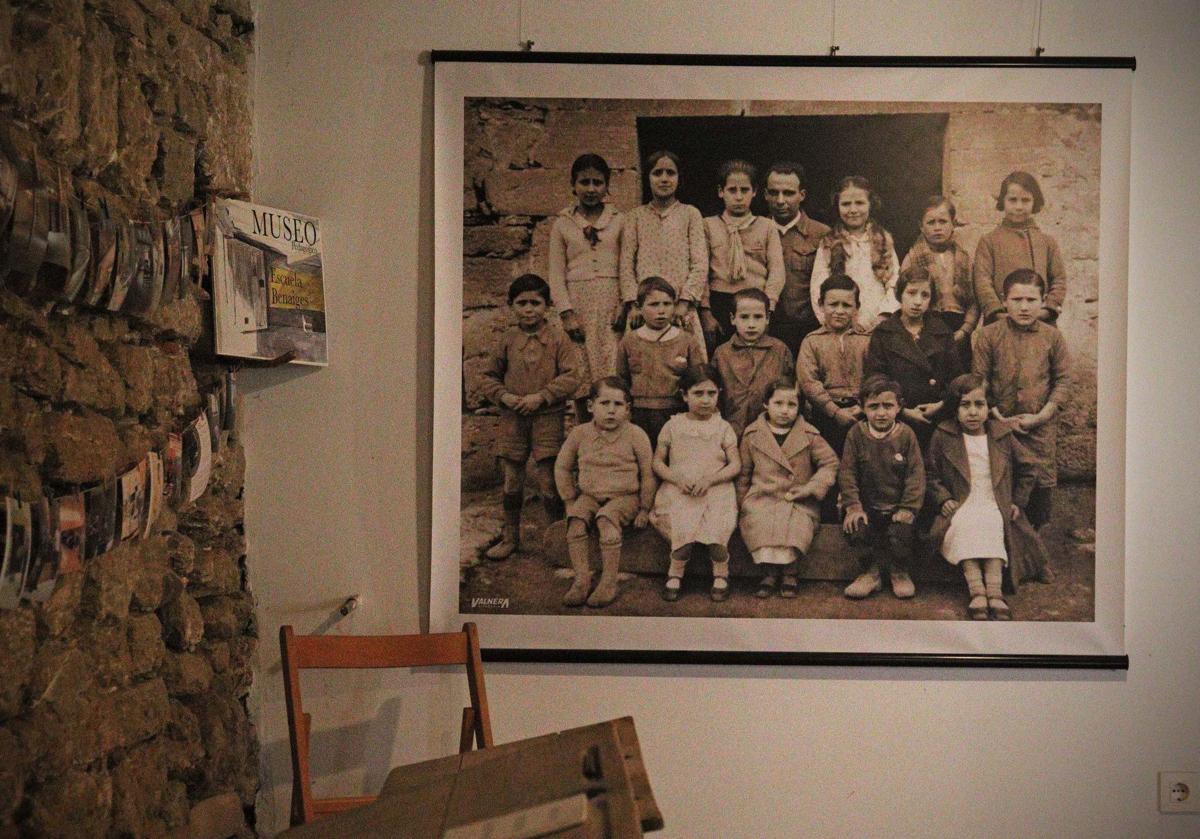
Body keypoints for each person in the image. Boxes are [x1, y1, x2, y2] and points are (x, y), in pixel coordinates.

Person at [926, 374, 1050, 620]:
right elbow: (930, 474)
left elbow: (1029, 467)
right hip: (962, 502)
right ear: (955, 408)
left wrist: (1017, 501)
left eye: (979, 405)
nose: (973, 412)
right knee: (964, 524)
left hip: (994, 501)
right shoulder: (943, 435)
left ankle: (995, 593)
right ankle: (977, 592)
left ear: (988, 407)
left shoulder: (1000, 434)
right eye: (965, 405)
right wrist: (943, 498)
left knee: (993, 523)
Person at [971, 268, 1071, 569]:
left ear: (1043, 302)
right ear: (1004, 301)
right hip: (1000, 427)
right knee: (1002, 488)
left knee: (1038, 493)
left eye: (1031, 299)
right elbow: (980, 380)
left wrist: (1042, 415)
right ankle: (999, 554)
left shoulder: (1052, 337)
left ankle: (1030, 552)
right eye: (1017, 299)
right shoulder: (988, 336)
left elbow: (1063, 381)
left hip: (1039, 429)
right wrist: (996, 414)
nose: (1024, 307)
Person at [477, 274, 581, 560]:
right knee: (512, 481)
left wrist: (542, 397)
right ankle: (511, 538)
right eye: (521, 303)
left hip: (547, 417)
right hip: (513, 420)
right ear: (511, 306)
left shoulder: (559, 339)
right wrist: (506, 397)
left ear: (547, 306)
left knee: (549, 481)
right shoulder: (507, 340)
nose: (529, 309)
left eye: (535, 303)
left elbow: (572, 377)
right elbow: (488, 377)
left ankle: (554, 541)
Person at [554, 378, 655, 608]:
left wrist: (645, 508)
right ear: (590, 406)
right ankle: (581, 579)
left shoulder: (636, 435)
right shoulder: (579, 434)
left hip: (625, 498)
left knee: (606, 522)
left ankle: (609, 582)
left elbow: (648, 474)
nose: (611, 410)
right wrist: (569, 499)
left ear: (628, 409)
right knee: (576, 522)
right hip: (589, 496)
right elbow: (562, 467)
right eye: (604, 403)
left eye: (618, 405)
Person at [736, 376, 839, 599]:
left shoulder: (810, 435)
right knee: (759, 522)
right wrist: (741, 502)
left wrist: (812, 487)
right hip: (762, 497)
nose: (785, 410)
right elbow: (744, 473)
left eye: (792, 405)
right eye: (778, 404)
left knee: (796, 526)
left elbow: (830, 463)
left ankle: (791, 572)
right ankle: (769, 573)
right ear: (766, 404)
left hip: (798, 498)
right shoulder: (752, 435)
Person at [548, 153, 629, 420]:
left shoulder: (620, 221)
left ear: (607, 186)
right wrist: (566, 313)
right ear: (573, 185)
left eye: (598, 182)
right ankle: (585, 432)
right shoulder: (562, 224)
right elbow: (556, 274)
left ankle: (616, 432)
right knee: (581, 373)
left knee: (612, 367)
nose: (591, 189)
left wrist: (625, 303)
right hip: (578, 303)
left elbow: (627, 264)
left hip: (610, 303)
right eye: (585, 182)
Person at [651, 364, 741, 603]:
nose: (705, 400)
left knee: (717, 532)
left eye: (711, 394)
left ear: (719, 394)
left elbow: (735, 465)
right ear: (684, 395)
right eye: (698, 394)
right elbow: (658, 462)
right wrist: (676, 478)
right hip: (681, 487)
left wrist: (710, 479)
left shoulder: (723, 428)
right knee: (682, 528)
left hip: (715, 488)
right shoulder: (672, 426)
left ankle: (721, 575)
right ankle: (675, 573)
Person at [839, 375, 926, 600]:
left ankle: (899, 572)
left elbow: (916, 476)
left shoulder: (906, 435)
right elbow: (847, 473)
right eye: (873, 407)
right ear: (863, 408)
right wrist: (853, 506)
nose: (881, 413)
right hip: (867, 507)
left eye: (888, 406)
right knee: (856, 527)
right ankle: (871, 573)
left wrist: (908, 507)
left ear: (899, 407)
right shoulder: (856, 434)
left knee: (902, 533)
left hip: (898, 507)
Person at [619, 150, 709, 357]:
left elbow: (699, 263)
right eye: (657, 173)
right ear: (647, 177)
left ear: (679, 178)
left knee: (684, 364)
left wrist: (684, 303)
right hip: (645, 309)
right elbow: (626, 264)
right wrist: (635, 305)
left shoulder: (690, 214)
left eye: (671, 173)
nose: (664, 179)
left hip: (680, 309)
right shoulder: (635, 217)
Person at [863, 266, 960, 450]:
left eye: (925, 295)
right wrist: (903, 411)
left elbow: (955, 378)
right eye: (911, 293)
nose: (918, 302)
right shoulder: (884, 333)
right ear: (900, 295)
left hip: (937, 418)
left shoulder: (942, 331)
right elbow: (875, 379)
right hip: (897, 420)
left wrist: (941, 405)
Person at [699, 160, 785, 356]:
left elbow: (777, 270)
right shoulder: (708, 225)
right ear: (721, 191)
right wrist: (705, 312)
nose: (739, 196)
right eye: (732, 190)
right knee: (722, 357)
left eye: (744, 190)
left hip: (756, 304)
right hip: (719, 303)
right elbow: (701, 269)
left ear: (754, 192)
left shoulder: (766, 226)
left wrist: (768, 309)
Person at [615, 276, 705, 449]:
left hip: (676, 413)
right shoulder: (629, 341)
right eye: (654, 305)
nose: (661, 311)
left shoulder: (686, 340)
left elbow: (697, 379)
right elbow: (621, 380)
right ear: (639, 308)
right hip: (639, 415)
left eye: (667, 304)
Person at [973, 170, 1067, 324]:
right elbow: (982, 281)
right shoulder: (989, 241)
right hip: (1001, 322)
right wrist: (996, 311)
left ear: (1034, 202)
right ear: (1003, 201)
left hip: (1040, 322)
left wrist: (1047, 310)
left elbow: (1059, 279)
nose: (1019, 206)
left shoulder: (1046, 242)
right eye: (1012, 200)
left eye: (1025, 200)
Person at [809, 176, 901, 332]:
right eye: (846, 204)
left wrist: (882, 317)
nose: (853, 210)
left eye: (859, 203)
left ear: (870, 204)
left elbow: (895, 282)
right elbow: (818, 286)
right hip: (841, 326)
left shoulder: (883, 241)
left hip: (878, 326)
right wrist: (831, 322)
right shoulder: (829, 243)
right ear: (837, 206)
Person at [900, 195, 977, 366]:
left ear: (953, 224)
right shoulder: (913, 258)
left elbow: (974, 300)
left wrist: (965, 330)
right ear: (921, 226)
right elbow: (905, 298)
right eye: (931, 222)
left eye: (942, 222)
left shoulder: (964, 258)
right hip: (927, 328)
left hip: (959, 329)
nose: (937, 228)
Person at [763, 162, 831, 354]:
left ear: (802, 195)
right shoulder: (756, 230)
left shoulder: (821, 234)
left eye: (789, 193)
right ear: (765, 195)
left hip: (808, 329)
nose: (780, 200)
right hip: (764, 328)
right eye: (774, 192)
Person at [711, 287, 795, 436]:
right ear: (732, 319)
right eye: (744, 317)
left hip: (771, 430)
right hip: (730, 430)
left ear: (767, 318)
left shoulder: (780, 350)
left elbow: (792, 390)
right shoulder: (722, 353)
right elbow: (714, 396)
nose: (751, 324)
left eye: (757, 317)